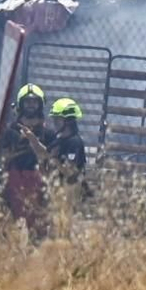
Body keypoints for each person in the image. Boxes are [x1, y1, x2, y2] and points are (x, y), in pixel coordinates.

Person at [0, 83, 53, 240]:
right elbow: (0, 158)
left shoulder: (48, 134)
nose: (31, 106)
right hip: (13, 179)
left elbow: (52, 159)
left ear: (40, 105)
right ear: (21, 104)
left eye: (34, 102)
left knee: (38, 229)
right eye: (27, 102)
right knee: (5, 227)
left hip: (37, 181)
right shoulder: (9, 132)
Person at [47, 97, 88, 237]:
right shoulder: (58, 140)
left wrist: (55, 160)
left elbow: (71, 171)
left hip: (69, 191)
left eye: (57, 120)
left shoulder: (74, 143)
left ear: (68, 121)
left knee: (64, 227)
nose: (54, 123)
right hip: (56, 189)